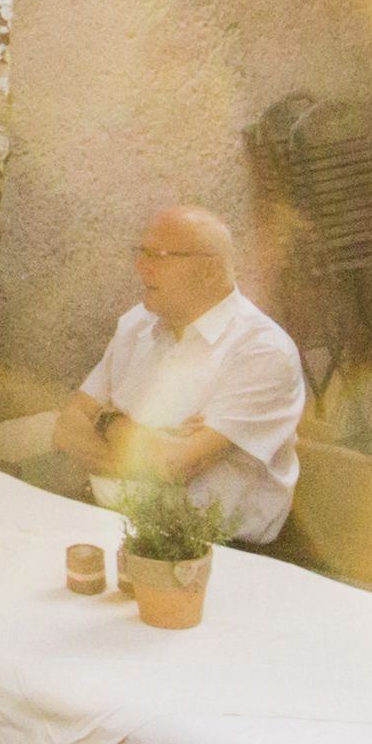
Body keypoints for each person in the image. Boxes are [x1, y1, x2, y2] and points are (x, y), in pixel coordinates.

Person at [53, 202, 312, 549]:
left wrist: (108, 421)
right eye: (141, 253)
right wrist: (146, 448)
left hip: (217, 549)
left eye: (156, 256)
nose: (140, 267)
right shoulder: (137, 325)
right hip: (114, 525)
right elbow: (67, 427)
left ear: (209, 270)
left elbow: (174, 465)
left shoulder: (262, 352)